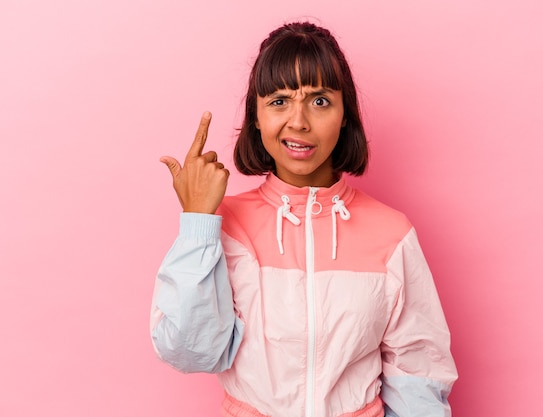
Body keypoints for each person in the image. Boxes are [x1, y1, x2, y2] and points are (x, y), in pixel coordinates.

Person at [150, 21, 458, 417]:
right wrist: (197, 222)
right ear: (256, 117)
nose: (298, 121)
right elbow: (190, 351)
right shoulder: (221, 226)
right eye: (279, 101)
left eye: (319, 101)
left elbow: (419, 377)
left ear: (345, 114)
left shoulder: (392, 234)